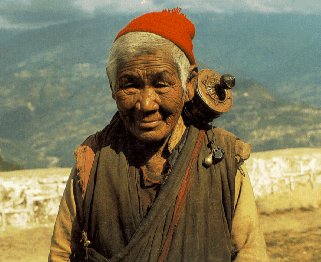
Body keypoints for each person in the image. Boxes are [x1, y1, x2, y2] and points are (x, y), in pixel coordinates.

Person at [49, 8, 269, 262]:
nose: (146, 104)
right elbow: (61, 254)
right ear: (112, 88)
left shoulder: (222, 160)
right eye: (130, 85)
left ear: (188, 84)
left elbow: (250, 253)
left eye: (161, 84)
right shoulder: (92, 160)